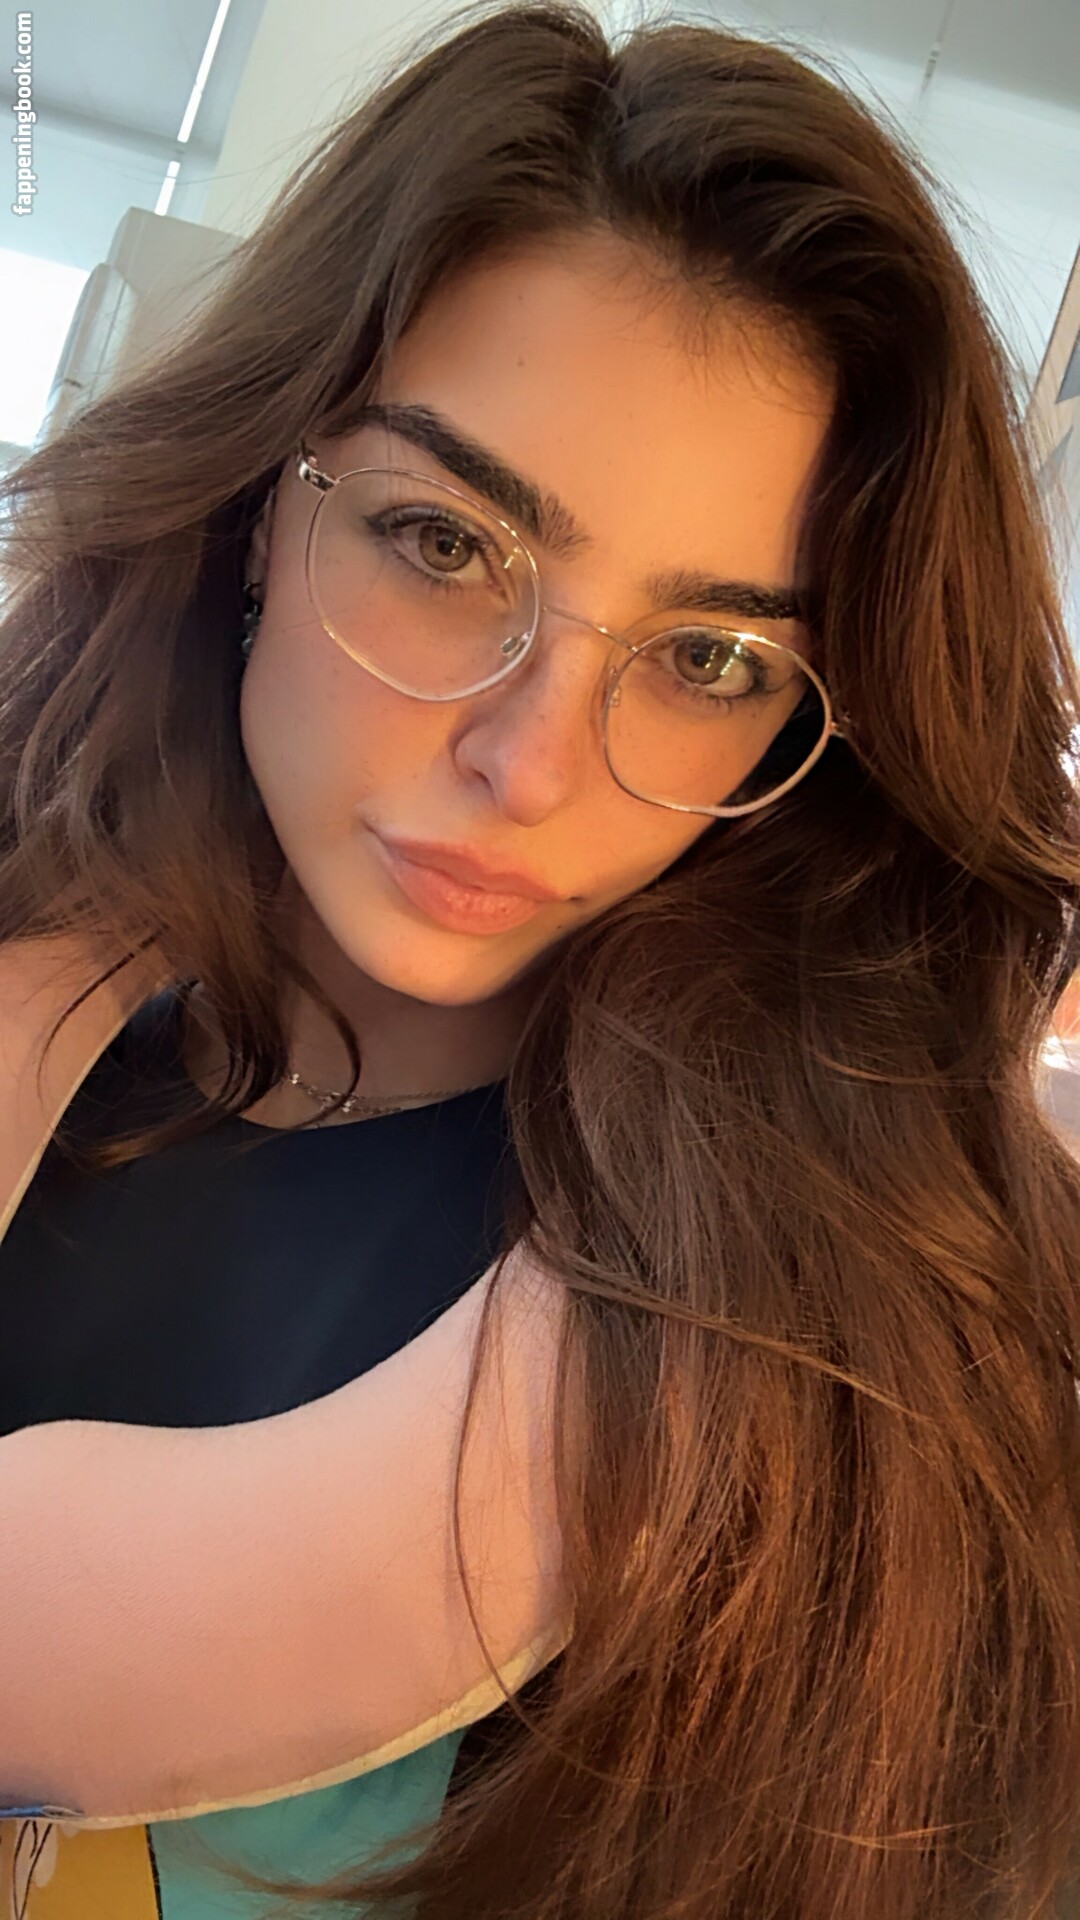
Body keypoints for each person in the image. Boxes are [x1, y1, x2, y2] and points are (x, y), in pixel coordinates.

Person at [1, 2, 1079, 1915]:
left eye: (710, 658)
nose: (530, 763)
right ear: (259, 511)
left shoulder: (854, 1358)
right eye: (445, 543)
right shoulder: (45, 962)